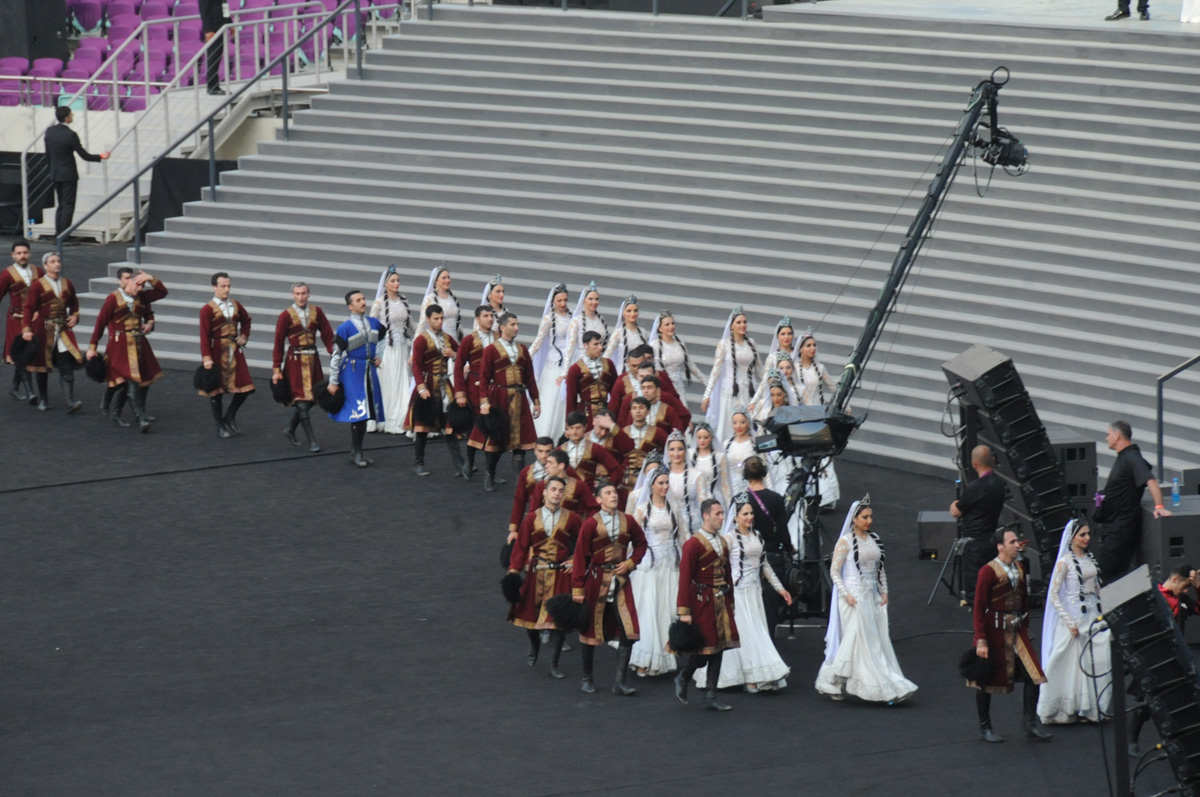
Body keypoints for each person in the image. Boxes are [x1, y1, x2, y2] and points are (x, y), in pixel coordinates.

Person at [816, 496, 917, 704]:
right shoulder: (844, 542)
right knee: (859, 642)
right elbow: (835, 572)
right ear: (854, 519)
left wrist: (884, 591)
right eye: (864, 517)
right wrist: (847, 595)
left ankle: (833, 680)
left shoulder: (875, 539)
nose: (868, 520)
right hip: (853, 599)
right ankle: (873, 685)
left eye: (870, 516)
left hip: (870, 598)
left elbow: (880, 569)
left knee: (871, 642)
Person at [697, 493, 792, 692]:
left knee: (756, 632)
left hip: (754, 593)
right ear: (735, 517)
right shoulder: (729, 539)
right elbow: (718, 565)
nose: (749, 517)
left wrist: (780, 588)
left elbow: (764, 566)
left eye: (751, 513)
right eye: (745, 514)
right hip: (737, 595)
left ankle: (756, 674)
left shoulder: (757, 536)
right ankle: (751, 677)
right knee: (745, 635)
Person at [969, 527, 1051, 743]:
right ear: (1000, 546)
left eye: (1017, 541)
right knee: (985, 679)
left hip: (1017, 631)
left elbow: (1023, 599)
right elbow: (978, 606)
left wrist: (1025, 624)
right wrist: (981, 639)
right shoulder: (988, 571)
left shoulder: (1020, 568)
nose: (1018, 545)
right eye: (1012, 541)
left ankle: (1029, 723)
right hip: (994, 630)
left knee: (1034, 674)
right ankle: (985, 727)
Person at [571, 481, 649, 695]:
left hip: (621, 583)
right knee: (589, 630)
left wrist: (630, 563)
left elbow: (642, 543)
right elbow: (580, 555)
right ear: (598, 499)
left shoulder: (629, 521)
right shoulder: (590, 524)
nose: (613, 495)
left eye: (614, 492)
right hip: (596, 582)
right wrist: (577, 588)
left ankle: (619, 682)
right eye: (607, 493)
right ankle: (587, 678)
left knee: (628, 630)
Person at [507, 475, 582, 680]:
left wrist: (575, 559)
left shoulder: (572, 518)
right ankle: (534, 644)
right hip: (536, 574)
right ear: (545, 492)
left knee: (559, 621)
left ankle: (553, 664)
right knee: (530, 616)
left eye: (560, 490)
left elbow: (584, 541)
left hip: (560, 575)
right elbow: (521, 546)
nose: (557, 493)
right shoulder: (531, 518)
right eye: (554, 489)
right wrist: (513, 570)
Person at [1037, 520, 1111, 725]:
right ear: (1072, 538)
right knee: (1067, 664)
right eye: (1082, 535)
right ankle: (1062, 709)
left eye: (1088, 534)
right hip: (1074, 620)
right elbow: (1054, 595)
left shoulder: (1090, 559)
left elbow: (1096, 589)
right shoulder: (1064, 563)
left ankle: (1093, 708)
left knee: (1097, 660)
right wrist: (1069, 621)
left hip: (1093, 617)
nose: (1087, 538)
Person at [673, 498, 739, 711]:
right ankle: (684, 676)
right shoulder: (693, 544)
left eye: (722, 513)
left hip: (721, 600)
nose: (722, 517)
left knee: (719, 649)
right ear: (705, 516)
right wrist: (684, 610)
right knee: (704, 651)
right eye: (718, 514)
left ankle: (711, 695)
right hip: (702, 601)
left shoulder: (722, 542)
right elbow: (684, 578)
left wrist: (731, 600)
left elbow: (726, 572)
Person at [1128, 564, 1200, 756]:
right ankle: (1132, 738)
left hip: (1174, 659)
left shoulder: (1182, 599)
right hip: (1153, 657)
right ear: (1175, 579)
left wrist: (1198, 588)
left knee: (1177, 704)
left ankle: (1171, 745)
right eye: (1185, 586)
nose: (1185, 591)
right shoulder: (1152, 596)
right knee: (1146, 703)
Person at [86, 267, 167, 432]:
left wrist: (150, 278)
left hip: (138, 342)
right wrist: (92, 346)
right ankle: (139, 417)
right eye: (137, 285)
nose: (140, 289)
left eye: (142, 286)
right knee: (128, 382)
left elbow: (161, 293)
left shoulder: (141, 297)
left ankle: (127, 411)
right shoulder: (112, 299)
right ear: (125, 282)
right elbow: (100, 323)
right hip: (120, 344)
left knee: (142, 378)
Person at [627, 466, 686, 677]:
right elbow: (632, 539)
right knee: (648, 612)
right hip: (648, 568)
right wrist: (629, 564)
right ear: (651, 484)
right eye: (660, 483)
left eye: (666, 482)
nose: (664, 486)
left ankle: (663, 655)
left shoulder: (674, 508)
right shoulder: (642, 509)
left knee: (665, 611)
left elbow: (683, 538)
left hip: (669, 566)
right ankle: (644, 659)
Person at [471, 313, 540, 492]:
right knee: (497, 440)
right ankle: (490, 474)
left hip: (520, 399)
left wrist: (536, 401)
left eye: (517, 324)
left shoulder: (522, 349)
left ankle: (520, 481)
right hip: (500, 398)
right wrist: (484, 401)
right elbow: (484, 377)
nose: (516, 327)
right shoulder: (491, 350)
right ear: (502, 327)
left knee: (520, 444)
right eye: (513, 324)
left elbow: (530, 378)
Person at [1096, 420, 1171, 581]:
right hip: (1114, 527)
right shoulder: (1126, 457)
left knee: (1107, 574)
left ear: (1117, 436)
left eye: (1109, 434)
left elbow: (1150, 480)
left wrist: (1159, 505)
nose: (1106, 438)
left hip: (1120, 529)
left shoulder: (1132, 458)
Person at [326, 290, 385, 468]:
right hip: (352, 372)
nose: (363, 302)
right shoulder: (345, 328)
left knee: (366, 413)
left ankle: (356, 449)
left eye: (363, 299)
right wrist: (333, 381)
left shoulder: (374, 323)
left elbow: (383, 338)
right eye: (358, 300)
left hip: (369, 371)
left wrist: (379, 354)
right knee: (357, 413)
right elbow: (336, 355)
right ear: (350, 306)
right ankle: (357, 451)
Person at [273, 282, 334, 453]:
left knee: (313, 398)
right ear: (293, 295)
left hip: (313, 360)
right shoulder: (286, 315)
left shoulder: (317, 312)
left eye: (303, 293)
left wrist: (334, 353)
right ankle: (312, 440)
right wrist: (276, 369)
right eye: (297, 294)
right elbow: (278, 342)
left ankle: (290, 429)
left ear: (309, 294)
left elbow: (327, 334)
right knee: (301, 400)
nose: (300, 297)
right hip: (295, 362)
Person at [21, 252, 83, 412]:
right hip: (44, 329)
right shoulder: (37, 285)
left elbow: (74, 303)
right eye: (53, 262)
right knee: (42, 365)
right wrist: (26, 329)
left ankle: (70, 401)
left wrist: (75, 316)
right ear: (46, 266)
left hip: (62, 330)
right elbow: (28, 307)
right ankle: (43, 400)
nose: (57, 264)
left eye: (58, 261)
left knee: (65, 363)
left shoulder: (67, 283)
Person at [406, 304, 463, 477]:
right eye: (436, 319)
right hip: (428, 385)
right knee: (422, 427)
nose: (439, 322)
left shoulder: (447, 338)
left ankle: (460, 465)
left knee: (450, 425)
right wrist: (421, 387)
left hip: (445, 385)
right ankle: (419, 463)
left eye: (441, 318)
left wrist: (453, 353)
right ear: (428, 319)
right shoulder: (421, 340)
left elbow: (461, 352)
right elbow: (416, 365)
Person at [744, 456, 794, 644]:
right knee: (770, 606)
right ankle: (769, 645)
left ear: (745, 475)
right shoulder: (776, 499)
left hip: (747, 558)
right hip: (772, 555)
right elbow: (783, 531)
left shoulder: (741, 499)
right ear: (764, 474)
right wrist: (789, 550)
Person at [198, 272, 254, 438]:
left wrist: (243, 336)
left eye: (228, 286)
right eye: (223, 286)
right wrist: (207, 358)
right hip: (216, 351)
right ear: (214, 287)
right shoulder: (207, 310)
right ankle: (219, 425)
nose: (226, 289)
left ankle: (229, 415)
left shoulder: (236, 305)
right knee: (217, 391)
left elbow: (246, 320)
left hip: (234, 350)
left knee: (245, 387)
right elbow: (204, 335)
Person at [43, 107, 110, 239]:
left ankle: (59, 232)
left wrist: (51, 170)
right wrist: (101, 156)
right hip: (68, 174)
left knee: (61, 204)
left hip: (55, 172)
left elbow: (48, 154)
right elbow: (84, 155)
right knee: (68, 204)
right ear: (67, 117)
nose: (72, 115)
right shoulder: (70, 135)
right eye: (71, 114)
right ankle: (64, 235)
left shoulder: (50, 132)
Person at [951, 445, 1007, 601]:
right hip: (991, 537)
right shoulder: (1000, 484)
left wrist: (954, 504)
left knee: (976, 589)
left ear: (974, 464)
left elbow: (958, 509)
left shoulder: (976, 487)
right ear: (993, 460)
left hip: (975, 543)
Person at [701, 306, 761, 445]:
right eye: (739, 322)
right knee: (728, 427)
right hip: (729, 393)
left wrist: (771, 380)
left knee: (747, 426)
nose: (742, 325)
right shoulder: (724, 344)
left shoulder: (751, 343)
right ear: (732, 326)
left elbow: (759, 369)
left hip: (747, 392)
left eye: (744, 322)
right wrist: (707, 395)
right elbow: (715, 372)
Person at [796, 329, 840, 508]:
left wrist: (844, 406)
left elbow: (833, 387)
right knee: (803, 455)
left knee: (822, 455)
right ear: (800, 349)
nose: (812, 348)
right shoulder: (793, 369)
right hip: (800, 417)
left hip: (818, 415)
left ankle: (826, 496)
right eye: (808, 345)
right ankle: (805, 493)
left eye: (814, 345)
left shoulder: (820, 369)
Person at [453, 305, 497, 481]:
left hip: (493, 388)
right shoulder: (469, 340)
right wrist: (460, 393)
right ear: (477, 319)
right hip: (475, 387)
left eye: (491, 315)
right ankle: (469, 463)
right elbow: (458, 366)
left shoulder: (498, 338)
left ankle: (490, 471)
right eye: (485, 316)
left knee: (493, 429)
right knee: (477, 428)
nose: (490, 319)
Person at [369, 265, 412, 435]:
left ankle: (401, 415)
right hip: (386, 348)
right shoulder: (379, 303)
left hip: (401, 347)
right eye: (393, 281)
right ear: (385, 284)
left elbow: (411, 323)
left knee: (401, 381)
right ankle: (386, 417)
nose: (396, 283)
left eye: (398, 280)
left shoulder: (403, 300)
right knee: (388, 381)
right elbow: (372, 327)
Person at [529, 283, 572, 439]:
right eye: (559, 300)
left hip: (568, 363)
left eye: (565, 300)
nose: (562, 304)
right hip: (554, 365)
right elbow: (538, 341)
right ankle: (545, 434)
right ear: (553, 301)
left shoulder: (572, 317)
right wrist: (526, 355)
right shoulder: (549, 319)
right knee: (550, 400)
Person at [2, 240, 43, 401]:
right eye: (19, 253)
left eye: (25, 253)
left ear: (29, 253)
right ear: (13, 255)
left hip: (34, 318)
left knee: (30, 352)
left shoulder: (37, 271)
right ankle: (30, 391)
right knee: (20, 353)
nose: (22, 256)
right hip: (16, 318)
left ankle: (14, 387)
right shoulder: (7, 274)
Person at [648, 308, 704, 410]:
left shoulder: (680, 344)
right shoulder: (654, 346)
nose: (671, 327)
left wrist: (707, 384)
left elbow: (691, 365)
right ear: (660, 328)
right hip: (663, 390)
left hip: (679, 390)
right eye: (667, 324)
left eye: (672, 323)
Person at [560, 411, 623, 492]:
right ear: (567, 429)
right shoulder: (560, 450)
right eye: (572, 428)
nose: (574, 432)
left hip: (588, 495)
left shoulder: (595, 448)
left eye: (578, 428)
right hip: (564, 495)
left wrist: (605, 488)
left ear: (585, 427)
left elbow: (617, 469)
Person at [508, 437, 558, 538]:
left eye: (547, 451)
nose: (544, 455)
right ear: (535, 451)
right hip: (535, 520)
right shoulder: (526, 473)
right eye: (540, 451)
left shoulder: (563, 471)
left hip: (559, 520)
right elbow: (519, 500)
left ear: (553, 451)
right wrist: (514, 529)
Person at [563, 330, 616, 422]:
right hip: (586, 413)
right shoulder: (575, 369)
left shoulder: (609, 364)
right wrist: (570, 422)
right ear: (585, 346)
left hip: (605, 411)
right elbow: (571, 398)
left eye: (601, 343)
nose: (600, 347)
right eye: (595, 344)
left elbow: (615, 391)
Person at [529, 449, 599, 519]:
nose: (546, 466)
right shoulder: (541, 485)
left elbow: (594, 507)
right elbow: (533, 511)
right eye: (547, 463)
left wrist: (585, 525)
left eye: (550, 463)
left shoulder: (579, 485)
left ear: (561, 466)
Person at [689, 422, 731, 523]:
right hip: (695, 502)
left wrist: (730, 506)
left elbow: (725, 484)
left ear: (711, 437)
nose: (702, 441)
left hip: (714, 497)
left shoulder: (719, 457)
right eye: (699, 437)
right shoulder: (690, 455)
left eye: (705, 437)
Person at [562, 281, 607, 367]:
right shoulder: (576, 321)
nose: (594, 302)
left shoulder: (601, 320)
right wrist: (565, 371)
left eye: (596, 299)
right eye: (590, 299)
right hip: (582, 364)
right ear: (584, 300)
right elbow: (570, 349)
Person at [416, 264, 461, 340]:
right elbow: (423, 323)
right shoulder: (430, 299)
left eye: (448, 277)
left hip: (454, 340)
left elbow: (457, 321)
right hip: (439, 341)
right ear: (436, 281)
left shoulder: (452, 298)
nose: (447, 280)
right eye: (444, 278)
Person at [604, 295, 646, 375]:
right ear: (623, 313)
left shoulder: (642, 332)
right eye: (629, 311)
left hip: (639, 373)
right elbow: (607, 355)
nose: (632, 314)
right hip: (622, 373)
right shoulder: (618, 333)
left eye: (635, 310)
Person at [724, 407, 757, 495]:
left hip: (751, 488)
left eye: (742, 422)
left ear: (748, 423)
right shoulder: (727, 444)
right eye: (735, 423)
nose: (738, 426)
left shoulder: (754, 443)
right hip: (732, 488)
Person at [197, 0, 228, 95]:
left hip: (221, 25)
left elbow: (224, 5)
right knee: (213, 56)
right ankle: (212, 86)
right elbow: (204, 11)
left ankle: (215, 85)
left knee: (218, 55)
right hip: (212, 28)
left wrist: (229, 22)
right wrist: (208, 29)